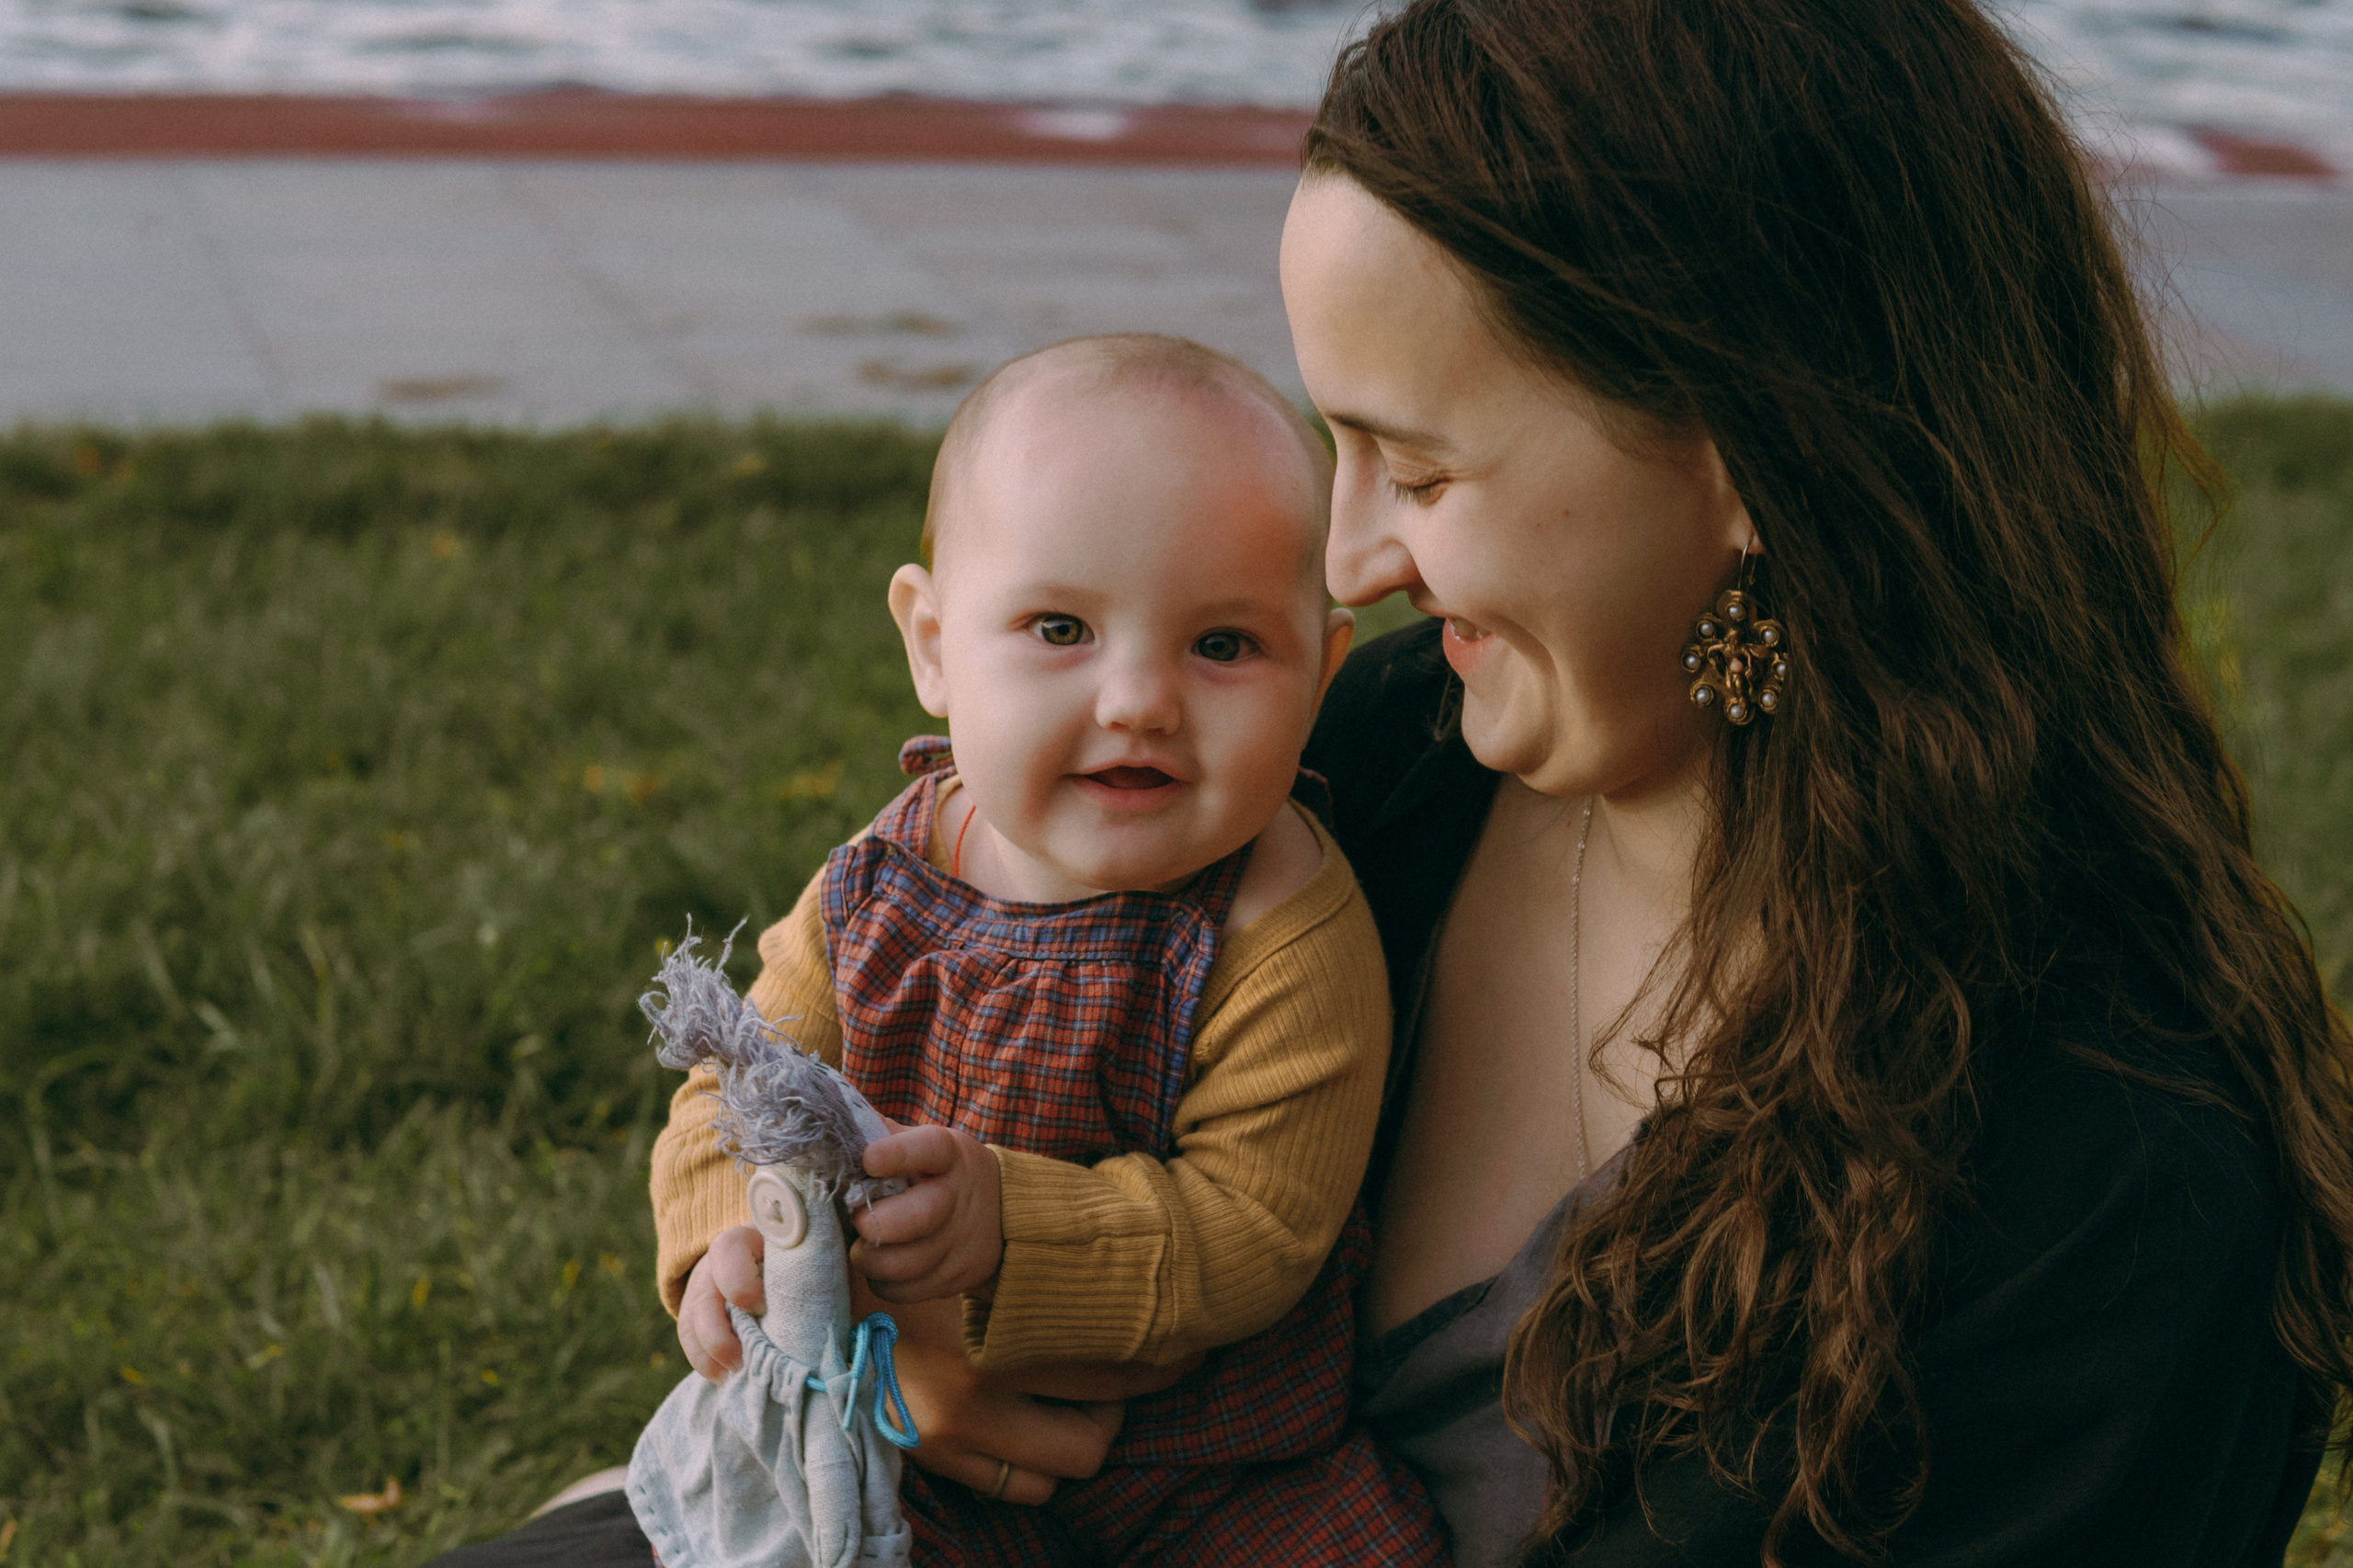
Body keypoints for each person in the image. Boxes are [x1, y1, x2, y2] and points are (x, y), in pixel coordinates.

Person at [434, 1, 2353, 1563]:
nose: (1346, 563)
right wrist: (914, 1362)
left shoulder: (2099, 1187)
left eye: (1417, 471)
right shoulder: (1385, 763)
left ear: (1748, 457)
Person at [656, 332, 1446, 1565]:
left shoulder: (1285, 925)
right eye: (1062, 626)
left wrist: (1008, 1227)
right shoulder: (882, 874)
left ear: (1321, 671)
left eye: (1224, 645)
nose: (1139, 697)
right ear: (931, 643)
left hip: (1213, 1477)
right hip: (904, 1449)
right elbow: (743, 1087)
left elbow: (1256, 1226)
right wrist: (730, 1236)